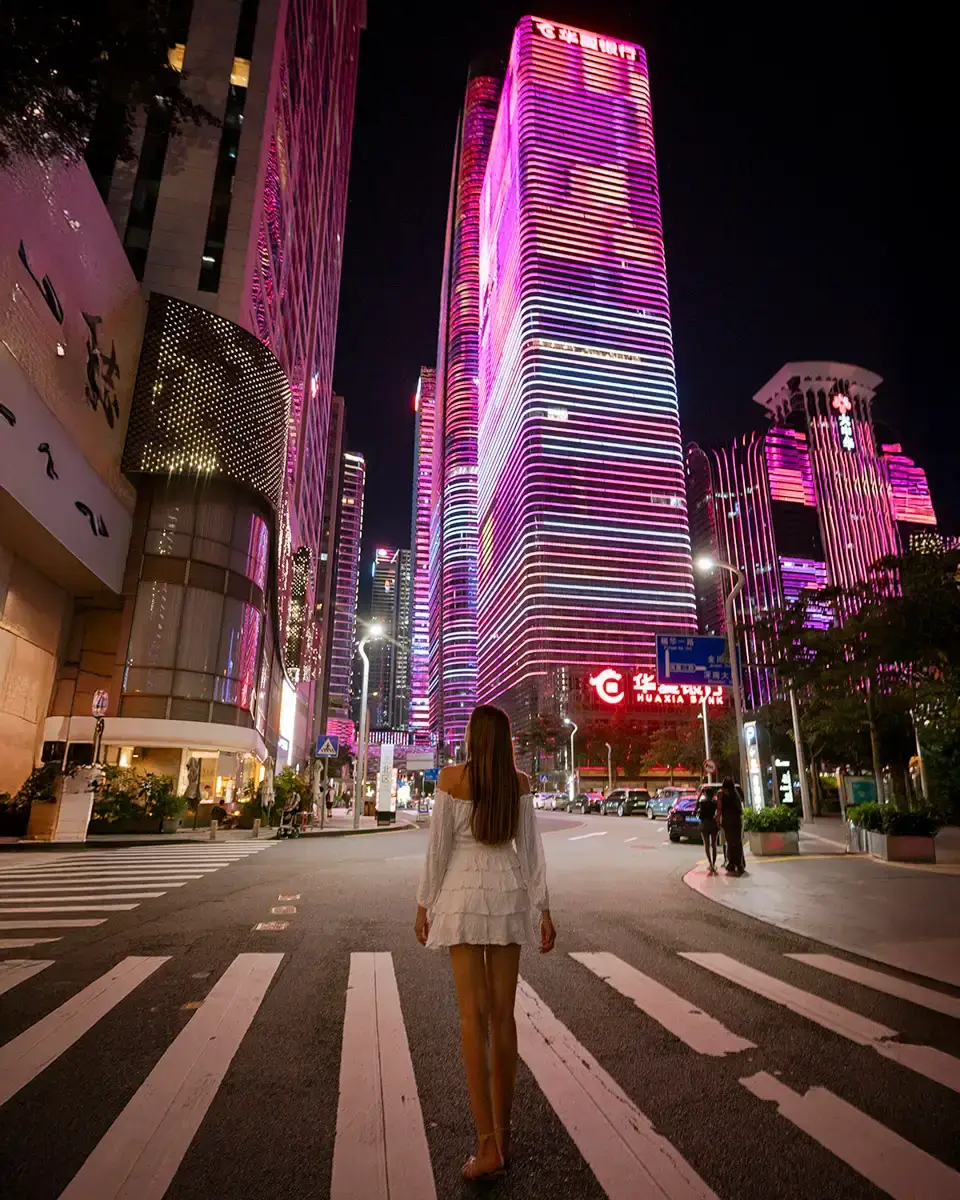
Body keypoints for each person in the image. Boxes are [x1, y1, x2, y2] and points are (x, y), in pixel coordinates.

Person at [415, 704, 556, 1180]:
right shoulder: (516, 783)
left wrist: (424, 904)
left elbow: (438, 849)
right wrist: (544, 908)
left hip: (460, 897)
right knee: (504, 1016)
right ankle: (505, 1135)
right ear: (507, 739)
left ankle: (486, 1143)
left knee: (472, 1018)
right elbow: (531, 851)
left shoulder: (452, 780)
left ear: (474, 739)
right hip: (508, 894)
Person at [717, 777, 745, 875]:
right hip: (733, 822)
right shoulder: (730, 795)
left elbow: (720, 809)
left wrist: (719, 820)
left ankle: (735, 863)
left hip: (731, 822)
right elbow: (720, 809)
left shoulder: (728, 795)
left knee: (733, 843)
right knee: (734, 843)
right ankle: (736, 863)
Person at [696, 786, 720, 874]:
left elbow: (696, 807)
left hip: (704, 824)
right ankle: (714, 863)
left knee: (706, 844)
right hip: (713, 823)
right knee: (713, 845)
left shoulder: (702, 803)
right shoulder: (715, 803)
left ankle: (710, 863)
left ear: (705, 794)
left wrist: (700, 795)